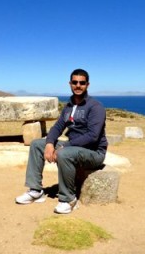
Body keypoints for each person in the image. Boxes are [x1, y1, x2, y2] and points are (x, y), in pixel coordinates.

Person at [15, 68, 108, 214]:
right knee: (37, 144)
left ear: (87, 85)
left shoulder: (95, 107)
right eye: (75, 82)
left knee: (64, 153)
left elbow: (93, 136)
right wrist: (50, 143)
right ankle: (35, 190)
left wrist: (64, 146)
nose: (78, 85)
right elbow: (57, 127)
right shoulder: (69, 106)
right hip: (74, 148)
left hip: (94, 152)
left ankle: (68, 199)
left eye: (82, 83)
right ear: (70, 83)